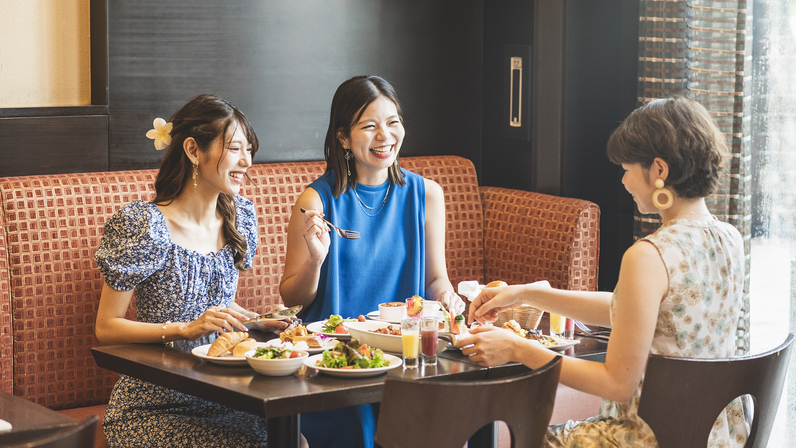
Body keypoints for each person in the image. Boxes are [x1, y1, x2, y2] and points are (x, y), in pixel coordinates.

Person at [457, 96, 748, 448]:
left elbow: (617, 383)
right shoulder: (730, 238)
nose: (624, 182)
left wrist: (518, 348)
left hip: (643, 439)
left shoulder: (649, 254)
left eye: (626, 168)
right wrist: (528, 293)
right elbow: (643, 312)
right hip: (712, 438)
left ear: (659, 170)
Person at [94, 94, 293, 448]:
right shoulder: (144, 225)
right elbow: (106, 327)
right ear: (193, 150)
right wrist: (184, 330)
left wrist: (255, 321)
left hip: (228, 395)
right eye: (234, 148)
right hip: (154, 406)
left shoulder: (239, 217)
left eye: (249, 149)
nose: (246, 161)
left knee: (295, 441)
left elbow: (217, 316)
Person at [279, 75, 466, 448]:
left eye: (393, 123)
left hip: (406, 359)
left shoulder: (426, 195)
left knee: (451, 411)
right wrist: (317, 261)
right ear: (343, 138)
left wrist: (448, 298)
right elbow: (290, 298)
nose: (385, 136)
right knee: (359, 424)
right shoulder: (315, 202)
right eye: (370, 126)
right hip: (336, 363)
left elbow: (435, 280)